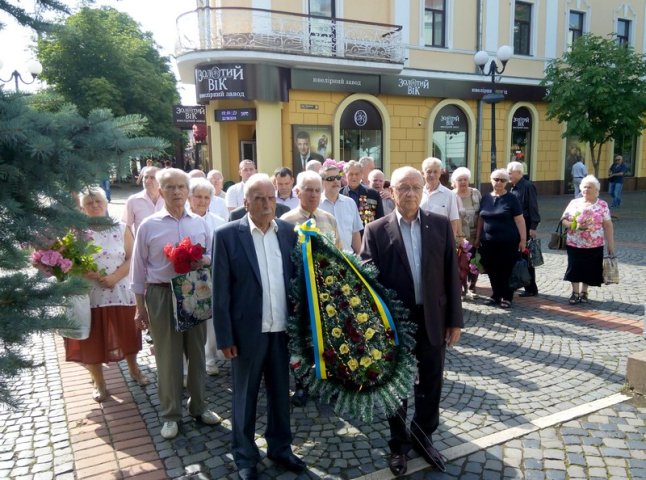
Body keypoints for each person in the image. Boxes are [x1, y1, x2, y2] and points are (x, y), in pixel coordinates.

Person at [360, 166, 463, 476]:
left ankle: (423, 437)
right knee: (397, 386)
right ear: (392, 192)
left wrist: (454, 321)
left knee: (431, 382)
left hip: (433, 317)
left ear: (424, 191)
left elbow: (451, 275)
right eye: (403, 188)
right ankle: (398, 445)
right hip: (395, 324)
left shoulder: (441, 225)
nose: (410, 193)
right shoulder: (376, 230)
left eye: (416, 187)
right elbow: (369, 282)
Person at [212, 174, 305, 480]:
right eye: (259, 198)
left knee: (280, 394)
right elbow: (220, 292)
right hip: (246, 334)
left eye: (271, 198)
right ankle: (244, 456)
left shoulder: (289, 232)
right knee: (245, 397)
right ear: (245, 202)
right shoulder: (227, 236)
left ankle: (280, 447)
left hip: (281, 331)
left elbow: (296, 281)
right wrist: (225, 336)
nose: (267, 204)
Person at [130, 168, 222, 440]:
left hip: (194, 290)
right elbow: (138, 270)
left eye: (182, 186)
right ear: (160, 190)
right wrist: (140, 307)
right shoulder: (149, 226)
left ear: (188, 190)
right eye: (170, 187)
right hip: (161, 293)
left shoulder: (200, 222)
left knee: (197, 352)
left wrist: (201, 260)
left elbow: (211, 256)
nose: (177, 192)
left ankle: (199, 406)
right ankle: (170, 415)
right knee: (167, 356)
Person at [67, 187, 148, 403]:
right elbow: (68, 260)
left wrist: (114, 277)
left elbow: (132, 258)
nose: (95, 206)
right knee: (92, 340)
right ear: (82, 208)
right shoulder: (76, 232)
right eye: (90, 203)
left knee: (128, 334)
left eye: (98, 202)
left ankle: (134, 370)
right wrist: (85, 271)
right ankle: (100, 383)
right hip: (90, 294)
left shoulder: (121, 228)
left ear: (106, 203)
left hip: (121, 291)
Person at [188, 178, 226, 376]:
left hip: (210, 276)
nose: (202, 201)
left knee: (210, 319)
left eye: (206, 197)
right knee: (190, 319)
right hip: (185, 278)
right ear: (189, 197)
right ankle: (188, 363)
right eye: (198, 197)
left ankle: (210, 358)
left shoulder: (219, 223)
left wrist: (205, 259)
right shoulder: (184, 220)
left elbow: (222, 252)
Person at [474, 169, 526, 309]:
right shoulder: (485, 198)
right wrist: (478, 237)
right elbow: (481, 219)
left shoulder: (512, 198)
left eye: (503, 180)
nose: (499, 182)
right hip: (488, 243)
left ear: (507, 182)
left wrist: (523, 239)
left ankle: (507, 296)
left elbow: (520, 220)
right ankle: (496, 295)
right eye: (496, 179)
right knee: (491, 269)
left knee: (506, 270)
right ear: (491, 180)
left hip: (508, 242)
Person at [560, 175, 615, 304]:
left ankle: (584, 292)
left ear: (597, 190)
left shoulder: (602, 205)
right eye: (584, 187)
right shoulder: (574, 202)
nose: (586, 189)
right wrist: (575, 226)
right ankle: (575, 292)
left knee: (590, 268)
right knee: (574, 267)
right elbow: (563, 219)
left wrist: (611, 244)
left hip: (595, 244)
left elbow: (608, 225)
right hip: (574, 242)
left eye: (589, 187)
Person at [507, 161, 541, 297]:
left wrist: (533, 226)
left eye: (511, 172)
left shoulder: (527, 186)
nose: (508, 175)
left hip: (526, 225)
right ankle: (519, 281)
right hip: (515, 226)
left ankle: (531, 287)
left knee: (526, 257)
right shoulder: (514, 187)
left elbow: (533, 207)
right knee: (518, 256)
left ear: (519, 173)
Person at [319, 164, 363, 254]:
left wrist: (360, 259)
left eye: (338, 177)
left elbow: (355, 234)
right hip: (324, 261)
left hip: (348, 259)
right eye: (330, 178)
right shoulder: (316, 204)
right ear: (322, 182)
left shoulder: (350, 203)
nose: (335, 181)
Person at [451, 167, 482, 294]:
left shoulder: (475, 193)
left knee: (475, 261)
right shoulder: (451, 195)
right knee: (460, 262)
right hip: (459, 235)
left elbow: (481, 214)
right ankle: (462, 287)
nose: (463, 182)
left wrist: (479, 236)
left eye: (465, 179)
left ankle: (472, 285)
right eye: (460, 180)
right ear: (454, 182)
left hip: (474, 234)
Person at [420, 157, 460, 239]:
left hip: (440, 239)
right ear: (422, 173)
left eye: (435, 171)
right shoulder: (418, 193)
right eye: (429, 172)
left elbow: (453, 220)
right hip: (420, 238)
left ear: (440, 172)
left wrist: (451, 243)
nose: (432, 175)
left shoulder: (450, 195)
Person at [341, 160, 384, 226]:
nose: (354, 177)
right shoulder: (339, 194)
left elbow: (380, 219)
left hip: (366, 234)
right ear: (345, 176)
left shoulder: (373, 194)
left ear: (361, 175)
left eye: (357, 174)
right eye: (351, 174)